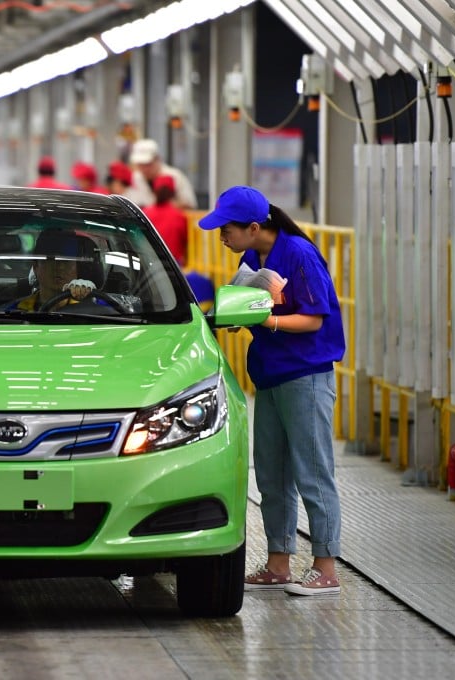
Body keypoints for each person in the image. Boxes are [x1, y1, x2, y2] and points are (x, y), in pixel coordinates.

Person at [198, 185, 345, 596]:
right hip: (270, 375)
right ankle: (279, 563)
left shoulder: (298, 253)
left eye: (226, 229)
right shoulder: (251, 257)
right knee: (272, 473)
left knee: (313, 472)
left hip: (305, 376)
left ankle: (326, 566)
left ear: (253, 226)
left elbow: (315, 319)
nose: (221, 237)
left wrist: (269, 322)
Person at [3, 230, 98, 312]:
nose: (60, 267)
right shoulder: (14, 311)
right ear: (36, 267)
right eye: (51, 260)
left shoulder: (97, 307)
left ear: (78, 268)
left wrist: (89, 299)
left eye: (67, 262)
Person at [128, 138, 197, 210]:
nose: (144, 169)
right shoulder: (135, 178)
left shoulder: (174, 176)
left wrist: (165, 206)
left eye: (147, 164)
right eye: (140, 165)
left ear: (157, 159)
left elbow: (190, 204)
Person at [142, 174, 188, 266]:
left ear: (154, 192)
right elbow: (185, 240)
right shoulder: (178, 215)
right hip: (173, 263)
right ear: (172, 193)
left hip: (148, 261)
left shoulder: (145, 213)